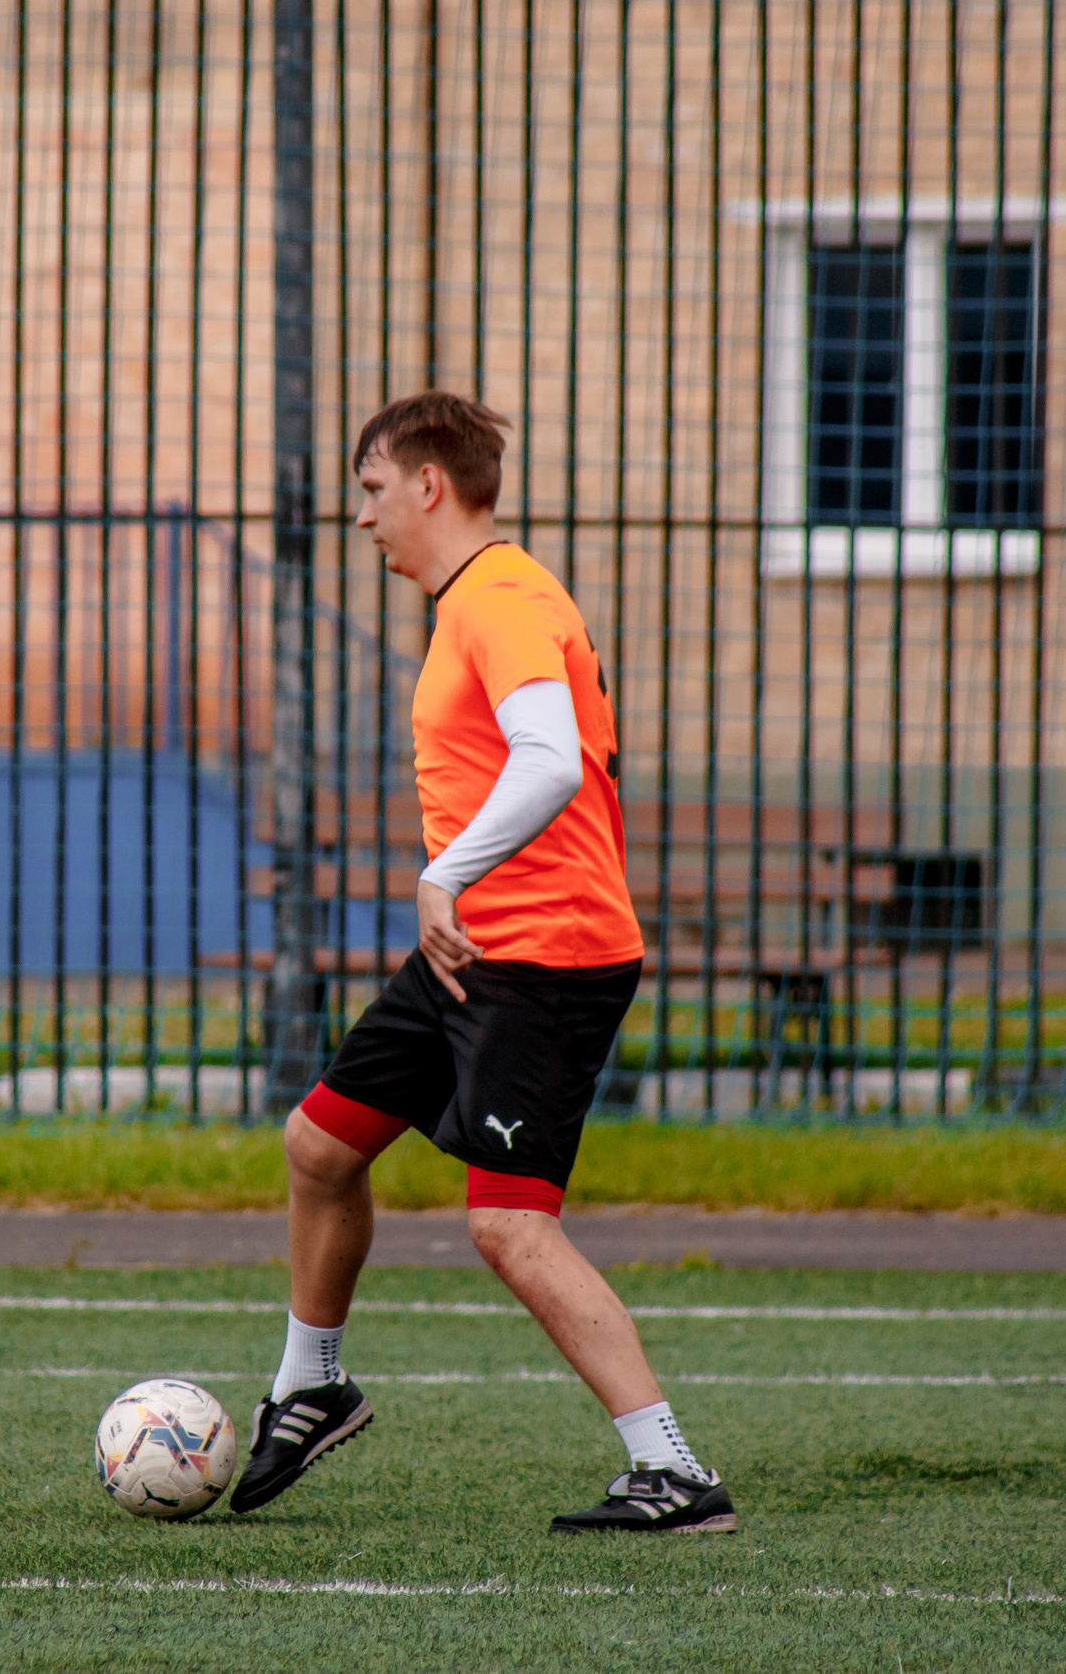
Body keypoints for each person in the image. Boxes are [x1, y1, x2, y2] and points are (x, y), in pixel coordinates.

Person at [227, 391, 734, 1533]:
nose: (363, 519)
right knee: (318, 1143)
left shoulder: (500, 596)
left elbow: (550, 760)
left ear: (427, 485)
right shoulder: (476, 601)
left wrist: (444, 874)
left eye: (370, 490)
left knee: (507, 1225)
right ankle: (311, 1385)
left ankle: (672, 1471)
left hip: (543, 960)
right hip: (478, 951)